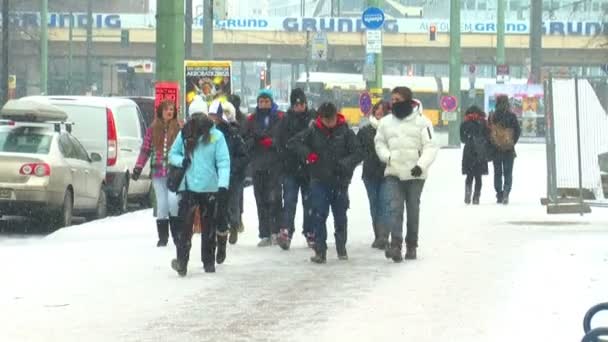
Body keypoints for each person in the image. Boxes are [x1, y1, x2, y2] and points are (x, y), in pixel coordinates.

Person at [287, 102, 362, 264]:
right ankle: (320, 250)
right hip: (319, 180)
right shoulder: (313, 131)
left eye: (331, 119)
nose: (329, 123)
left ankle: (341, 247)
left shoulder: (346, 132)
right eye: (326, 120)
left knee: (340, 216)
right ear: (321, 118)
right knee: (319, 215)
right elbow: (293, 143)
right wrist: (308, 155)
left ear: (336, 116)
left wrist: (345, 163)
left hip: (340, 181)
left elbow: (358, 153)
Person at [375, 87, 438, 262]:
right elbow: (379, 143)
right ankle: (395, 245)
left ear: (408, 101)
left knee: (412, 209)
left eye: (397, 99)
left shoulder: (423, 122)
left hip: (415, 174)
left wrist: (421, 165)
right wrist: (387, 157)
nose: (393, 102)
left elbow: (431, 146)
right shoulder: (386, 122)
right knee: (394, 208)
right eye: (392, 99)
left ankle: (412, 245)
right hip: (393, 172)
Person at [168, 99, 230, 276]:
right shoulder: (184, 134)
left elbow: (223, 162)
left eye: (199, 116)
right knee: (185, 227)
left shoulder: (216, 136)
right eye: (194, 116)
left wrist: (223, 185)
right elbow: (173, 155)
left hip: (210, 188)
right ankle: (182, 261)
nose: (196, 120)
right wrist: (183, 160)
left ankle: (208, 262)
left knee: (208, 226)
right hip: (188, 187)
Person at [132, 100, 181, 247]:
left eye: (172, 109)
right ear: (161, 111)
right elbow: (145, 150)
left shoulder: (178, 128)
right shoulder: (153, 129)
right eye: (166, 109)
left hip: (174, 172)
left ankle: (176, 235)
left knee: (173, 202)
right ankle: (163, 238)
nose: (169, 112)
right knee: (162, 204)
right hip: (158, 171)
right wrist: (138, 167)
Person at [243, 89, 284, 247]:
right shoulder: (252, 119)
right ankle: (265, 233)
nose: (264, 104)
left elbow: (284, 138)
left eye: (267, 101)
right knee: (260, 200)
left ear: (271, 102)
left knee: (274, 199)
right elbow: (244, 139)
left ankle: (276, 231)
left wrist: (273, 143)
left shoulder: (279, 117)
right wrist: (254, 141)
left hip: (274, 165)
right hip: (258, 165)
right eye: (261, 102)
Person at [276, 88, 316, 250]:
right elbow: (280, 142)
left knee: (310, 203)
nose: (299, 107)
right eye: (296, 104)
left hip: (309, 169)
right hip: (291, 168)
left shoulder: (313, 119)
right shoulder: (286, 121)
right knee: (290, 201)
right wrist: (286, 158)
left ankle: (310, 231)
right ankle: (286, 231)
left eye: (302, 104)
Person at [208, 100, 249, 248]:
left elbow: (243, 155)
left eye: (215, 116)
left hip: (234, 176)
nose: (212, 119)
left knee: (233, 203)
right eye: (210, 116)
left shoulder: (232, 134)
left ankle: (234, 225)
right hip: (216, 176)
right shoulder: (210, 134)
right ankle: (222, 228)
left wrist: (234, 168)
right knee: (219, 204)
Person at [357, 100, 389, 249]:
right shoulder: (365, 131)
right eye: (377, 109)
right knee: (374, 205)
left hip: (387, 173)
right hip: (370, 174)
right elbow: (357, 150)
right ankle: (378, 235)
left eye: (383, 110)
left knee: (384, 204)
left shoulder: (392, 130)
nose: (379, 112)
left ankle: (383, 236)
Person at [488, 95, 521, 205]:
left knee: (497, 173)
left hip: (496, 149)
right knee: (508, 173)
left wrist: (494, 143)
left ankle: (499, 194)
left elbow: (488, 132)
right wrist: (511, 142)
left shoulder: (493, 116)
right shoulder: (512, 116)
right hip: (508, 149)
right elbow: (518, 131)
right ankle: (506, 192)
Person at [460, 106, 490, 205]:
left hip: (469, 151)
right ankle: (476, 197)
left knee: (469, 176)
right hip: (480, 152)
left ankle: (467, 194)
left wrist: (470, 140)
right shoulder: (483, 123)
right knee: (478, 177)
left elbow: (462, 139)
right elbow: (488, 136)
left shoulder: (465, 123)